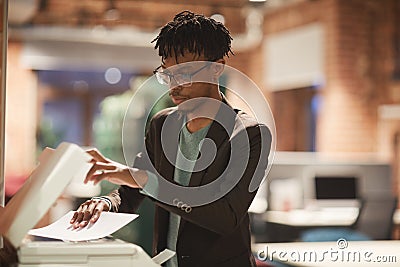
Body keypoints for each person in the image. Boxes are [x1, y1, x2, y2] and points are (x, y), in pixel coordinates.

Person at [70, 10, 271, 267]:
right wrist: (106, 202)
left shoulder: (248, 134)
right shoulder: (162, 124)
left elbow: (225, 217)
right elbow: (133, 190)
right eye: (167, 74)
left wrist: (147, 181)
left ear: (216, 68)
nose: (174, 86)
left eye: (185, 74)